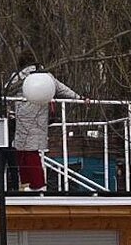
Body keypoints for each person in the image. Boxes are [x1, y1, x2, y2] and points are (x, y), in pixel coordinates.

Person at [9, 49, 80, 192]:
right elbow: (62, 89)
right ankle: (37, 184)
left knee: (23, 151)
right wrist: (79, 97)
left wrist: (9, 111)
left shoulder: (17, 76)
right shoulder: (46, 76)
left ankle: (30, 183)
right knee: (32, 151)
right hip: (40, 116)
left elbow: (6, 92)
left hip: (22, 115)